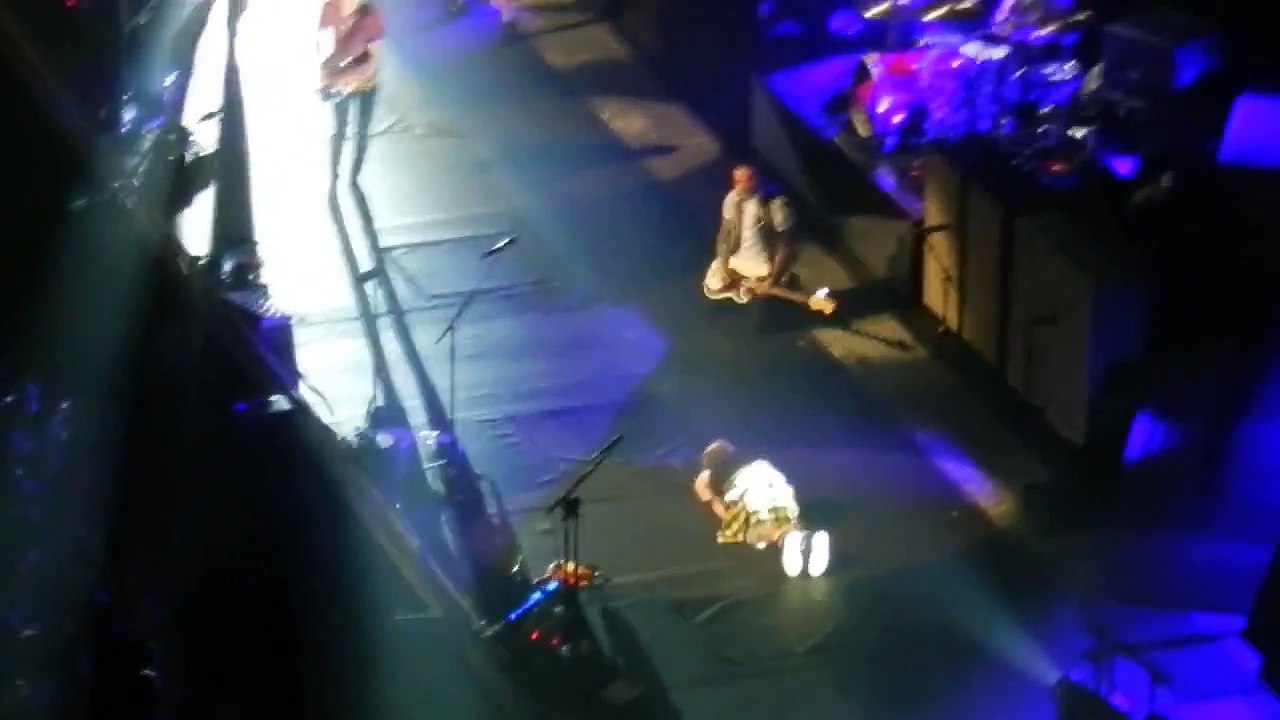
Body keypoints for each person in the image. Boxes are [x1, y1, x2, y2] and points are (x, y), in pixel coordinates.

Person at [693, 439, 831, 577]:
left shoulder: (708, 475)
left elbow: (710, 499)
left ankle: (786, 539)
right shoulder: (750, 456)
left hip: (747, 487)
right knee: (785, 516)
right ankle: (805, 538)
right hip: (773, 479)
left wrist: (727, 515)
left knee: (758, 529)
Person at [703, 165, 796, 304]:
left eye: (748, 179)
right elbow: (724, 235)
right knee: (712, 286)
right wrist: (723, 265)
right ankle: (740, 290)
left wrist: (772, 279)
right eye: (738, 181)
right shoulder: (732, 199)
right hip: (735, 263)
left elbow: (785, 246)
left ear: (757, 179)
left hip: (761, 268)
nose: (742, 185)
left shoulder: (775, 204)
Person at [319, 0, 386, 181]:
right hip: (340, 85)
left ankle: (353, 176)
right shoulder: (330, 10)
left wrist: (337, 76)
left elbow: (373, 61)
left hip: (363, 85)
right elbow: (321, 50)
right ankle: (335, 175)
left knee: (361, 131)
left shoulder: (371, 15)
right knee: (340, 131)